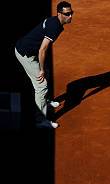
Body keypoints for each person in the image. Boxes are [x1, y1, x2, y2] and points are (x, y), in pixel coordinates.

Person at [14, 1, 74, 129]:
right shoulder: (55, 27)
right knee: (41, 85)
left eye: (71, 13)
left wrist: (43, 68)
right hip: (25, 54)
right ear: (59, 14)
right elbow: (43, 49)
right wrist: (40, 69)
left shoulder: (54, 21)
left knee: (46, 72)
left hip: (29, 50)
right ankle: (40, 120)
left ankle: (45, 102)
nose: (70, 16)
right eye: (67, 14)